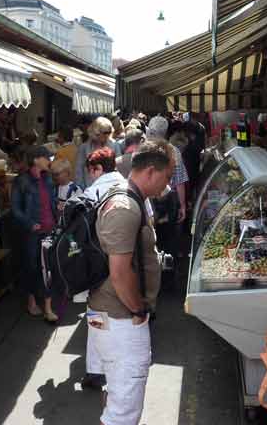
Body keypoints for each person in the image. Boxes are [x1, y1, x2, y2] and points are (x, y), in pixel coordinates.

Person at [86, 140, 171, 425]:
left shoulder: (130, 199)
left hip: (110, 316)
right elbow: (120, 273)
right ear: (150, 171)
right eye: (167, 177)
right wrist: (139, 310)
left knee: (118, 392)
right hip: (121, 319)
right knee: (124, 406)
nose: (168, 185)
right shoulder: (125, 207)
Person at [10, 146, 59, 323]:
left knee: (48, 268)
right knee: (31, 267)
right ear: (36, 159)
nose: (50, 161)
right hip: (32, 232)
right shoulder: (21, 181)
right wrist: (30, 224)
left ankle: (48, 307)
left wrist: (57, 212)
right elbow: (15, 209)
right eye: (47, 157)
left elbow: (51, 202)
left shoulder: (48, 179)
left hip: (49, 229)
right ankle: (31, 301)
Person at [74, 116, 114, 189]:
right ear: (96, 132)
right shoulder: (83, 148)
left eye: (109, 132)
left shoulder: (114, 146)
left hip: (109, 188)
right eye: (105, 132)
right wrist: (80, 189)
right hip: (89, 187)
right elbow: (79, 171)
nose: (108, 135)